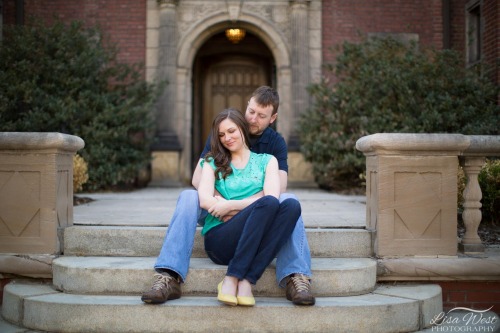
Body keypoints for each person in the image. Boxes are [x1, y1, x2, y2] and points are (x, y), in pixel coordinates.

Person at [141, 86, 315, 306]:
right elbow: (197, 181)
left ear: (273, 118)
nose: (253, 118)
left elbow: (277, 190)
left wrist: (234, 206)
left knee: (289, 201)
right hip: (218, 210)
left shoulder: (274, 145)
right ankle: (168, 274)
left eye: (261, 116)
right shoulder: (221, 137)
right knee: (188, 196)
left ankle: (295, 274)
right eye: (251, 111)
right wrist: (219, 204)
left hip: (257, 213)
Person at [198, 108, 301, 306]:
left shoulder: (267, 161)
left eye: (231, 131)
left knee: (292, 206)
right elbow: (204, 199)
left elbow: (272, 197)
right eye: (221, 135)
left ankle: (246, 280)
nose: (227, 138)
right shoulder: (212, 161)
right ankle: (231, 277)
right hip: (220, 239)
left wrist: (230, 206)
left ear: (243, 130)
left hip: (254, 237)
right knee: (268, 203)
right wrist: (249, 207)